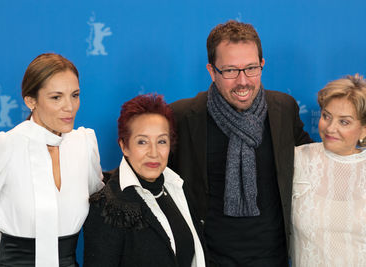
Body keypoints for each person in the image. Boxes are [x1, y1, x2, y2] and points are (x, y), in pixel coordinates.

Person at [168, 20, 312, 266]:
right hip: (207, 258)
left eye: (251, 68)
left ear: (262, 65)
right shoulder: (182, 116)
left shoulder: (284, 109)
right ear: (212, 71)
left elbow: (317, 166)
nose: (243, 81)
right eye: (231, 70)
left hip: (273, 258)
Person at [0, 53, 103, 267]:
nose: (70, 106)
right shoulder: (2, 148)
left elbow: (101, 206)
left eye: (74, 95)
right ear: (31, 100)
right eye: (56, 97)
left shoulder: (84, 145)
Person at [84, 94, 206, 267]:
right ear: (124, 146)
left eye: (162, 141)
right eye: (142, 142)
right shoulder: (107, 205)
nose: (154, 152)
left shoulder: (177, 187)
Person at [291, 74, 366, 266]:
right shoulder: (297, 159)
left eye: (344, 122)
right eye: (326, 116)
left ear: (363, 130)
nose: (330, 128)